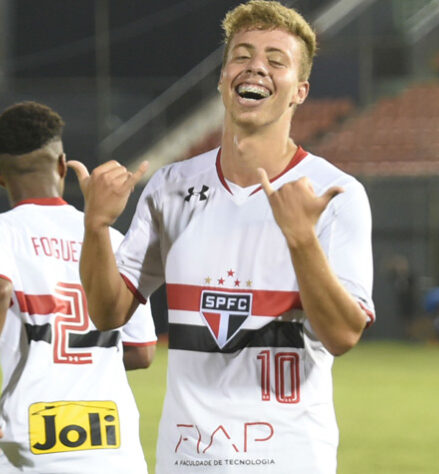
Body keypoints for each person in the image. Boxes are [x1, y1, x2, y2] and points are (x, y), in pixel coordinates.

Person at [69, 1, 374, 472]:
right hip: (187, 458)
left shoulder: (336, 194)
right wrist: (96, 228)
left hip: (288, 458)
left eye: (276, 60)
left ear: (300, 91)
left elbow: (342, 336)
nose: (256, 66)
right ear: (221, 77)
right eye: (242, 55)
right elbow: (109, 314)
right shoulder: (170, 187)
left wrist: (302, 241)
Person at [0, 101, 156, 473]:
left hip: (29, 444)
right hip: (114, 449)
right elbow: (142, 353)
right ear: (62, 165)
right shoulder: (111, 240)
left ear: (0, 176)